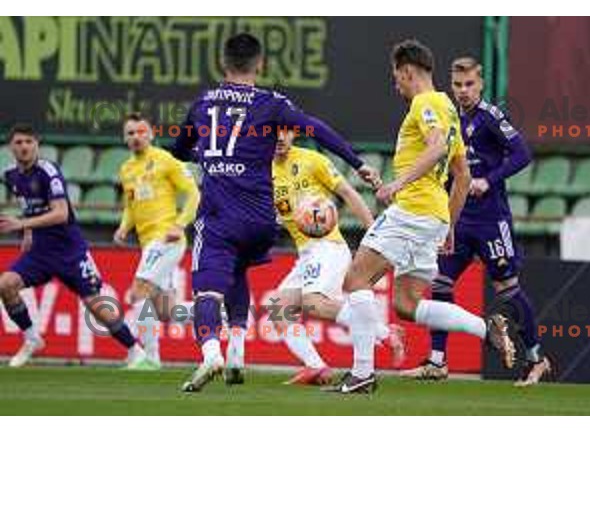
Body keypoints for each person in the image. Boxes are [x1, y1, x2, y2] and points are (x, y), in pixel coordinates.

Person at [170, 32, 380, 392]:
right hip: (260, 221)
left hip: (220, 215)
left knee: (207, 292)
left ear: (223, 64)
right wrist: (357, 163)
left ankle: (211, 354)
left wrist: (207, 156)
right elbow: (317, 129)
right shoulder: (271, 102)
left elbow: (179, 148)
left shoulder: (204, 102)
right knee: (238, 271)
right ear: (260, 64)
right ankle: (236, 354)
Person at [327, 39, 516, 394]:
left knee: (355, 280)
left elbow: (436, 148)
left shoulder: (426, 103)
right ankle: (484, 327)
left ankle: (362, 373)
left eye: (395, 76)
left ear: (407, 71)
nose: (395, 83)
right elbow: (461, 176)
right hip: (432, 217)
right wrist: (449, 225)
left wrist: (396, 184)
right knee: (406, 304)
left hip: (411, 210)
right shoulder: (449, 108)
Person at [402, 57, 552, 386]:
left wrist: (490, 179)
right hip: (457, 217)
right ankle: (437, 362)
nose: (463, 91)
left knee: (507, 289)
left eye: (469, 84)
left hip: (491, 219)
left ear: (480, 84)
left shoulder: (491, 117)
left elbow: (522, 153)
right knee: (440, 282)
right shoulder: (449, 116)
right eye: (457, 85)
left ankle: (536, 359)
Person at [233, 129, 404, 386]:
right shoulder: (262, 172)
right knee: (279, 308)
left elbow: (348, 193)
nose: (279, 138)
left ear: (293, 134)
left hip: (328, 246)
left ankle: (383, 332)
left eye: (285, 132)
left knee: (314, 303)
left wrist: (373, 232)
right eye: (274, 133)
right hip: (306, 253)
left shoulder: (312, 160)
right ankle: (317, 366)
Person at [0, 124, 149, 368]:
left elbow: (61, 213)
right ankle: (32, 338)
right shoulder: (11, 175)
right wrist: (28, 232)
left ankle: (135, 350)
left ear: (37, 144)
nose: (24, 147)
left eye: (29, 141)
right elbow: (29, 203)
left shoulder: (49, 172)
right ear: (11, 147)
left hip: (70, 252)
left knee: (95, 304)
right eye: (18, 142)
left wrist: (22, 223)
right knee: (5, 285)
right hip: (39, 252)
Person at [114, 113, 200, 369]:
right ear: (124, 138)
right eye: (130, 133)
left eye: (141, 132)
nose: (136, 137)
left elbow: (194, 194)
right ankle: (221, 313)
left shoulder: (165, 160)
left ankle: (149, 358)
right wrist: (123, 228)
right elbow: (131, 204)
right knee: (166, 312)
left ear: (151, 134)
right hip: (148, 243)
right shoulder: (126, 169)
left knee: (138, 292)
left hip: (166, 239)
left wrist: (180, 224)